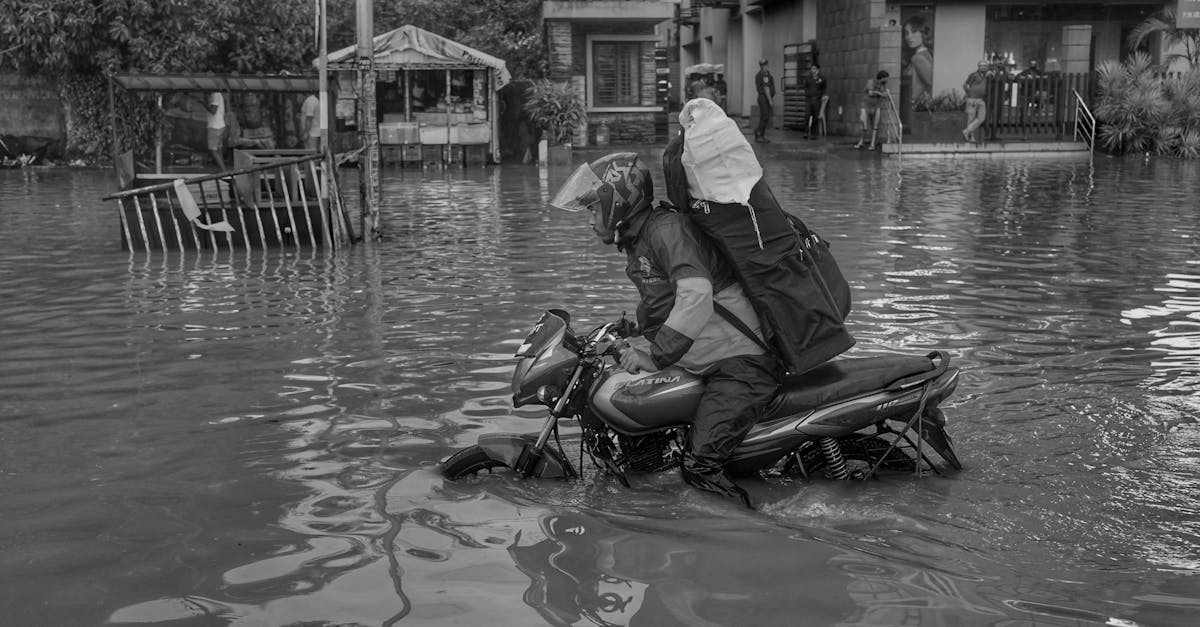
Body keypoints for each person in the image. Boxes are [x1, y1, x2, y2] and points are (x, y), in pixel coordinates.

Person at [549, 152, 781, 509]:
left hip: (742, 364)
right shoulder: (641, 237)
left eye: (594, 210)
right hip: (709, 359)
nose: (590, 220)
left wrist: (655, 356)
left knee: (699, 466)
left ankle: (753, 534)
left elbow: (696, 295)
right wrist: (626, 335)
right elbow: (664, 305)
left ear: (618, 204)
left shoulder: (665, 230)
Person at [901, 14, 934, 108]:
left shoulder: (917, 58)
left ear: (923, 33)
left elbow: (932, 82)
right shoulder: (922, 55)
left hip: (913, 109)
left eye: (914, 32)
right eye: (906, 33)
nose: (909, 37)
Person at [854, 70, 889, 149]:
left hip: (876, 106)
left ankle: (872, 143)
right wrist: (879, 93)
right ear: (882, 77)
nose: (887, 80)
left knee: (875, 126)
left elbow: (885, 95)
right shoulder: (871, 82)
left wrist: (878, 93)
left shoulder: (883, 85)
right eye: (886, 78)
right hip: (866, 105)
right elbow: (870, 93)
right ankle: (861, 141)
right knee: (864, 125)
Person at [962, 60, 989, 144]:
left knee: (981, 118)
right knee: (971, 118)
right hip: (972, 99)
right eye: (981, 66)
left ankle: (967, 131)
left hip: (981, 99)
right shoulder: (974, 75)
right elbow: (965, 85)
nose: (983, 67)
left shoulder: (987, 75)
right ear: (978, 67)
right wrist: (969, 93)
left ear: (987, 67)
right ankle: (971, 137)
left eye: (984, 66)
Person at [754, 58, 776, 143]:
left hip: (763, 97)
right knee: (765, 116)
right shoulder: (764, 74)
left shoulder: (762, 74)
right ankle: (759, 134)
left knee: (764, 117)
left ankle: (760, 134)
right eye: (763, 65)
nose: (765, 66)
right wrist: (770, 100)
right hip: (764, 98)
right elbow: (766, 88)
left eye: (765, 65)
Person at [204, 91, 227, 171]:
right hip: (219, 125)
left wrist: (203, 103)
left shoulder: (215, 94)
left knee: (213, 150)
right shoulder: (216, 94)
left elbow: (213, 110)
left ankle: (223, 170)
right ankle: (221, 170)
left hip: (214, 126)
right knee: (218, 149)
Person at [804, 64, 827, 140]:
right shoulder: (808, 79)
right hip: (809, 99)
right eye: (811, 69)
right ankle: (806, 132)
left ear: (817, 70)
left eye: (814, 69)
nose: (812, 70)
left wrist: (823, 95)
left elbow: (824, 88)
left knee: (815, 117)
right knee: (807, 115)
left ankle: (814, 133)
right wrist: (807, 94)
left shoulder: (822, 79)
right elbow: (806, 87)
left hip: (817, 99)